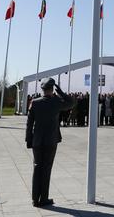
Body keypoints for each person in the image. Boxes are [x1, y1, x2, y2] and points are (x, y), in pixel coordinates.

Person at [26, 78, 76, 208]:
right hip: (50, 141)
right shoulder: (56, 102)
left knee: (37, 168)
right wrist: (61, 93)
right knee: (46, 169)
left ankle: (35, 199)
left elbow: (29, 123)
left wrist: (28, 140)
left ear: (42, 89)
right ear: (52, 89)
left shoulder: (35, 102)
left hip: (37, 141)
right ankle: (44, 198)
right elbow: (71, 103)